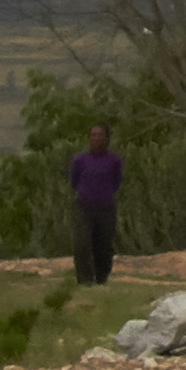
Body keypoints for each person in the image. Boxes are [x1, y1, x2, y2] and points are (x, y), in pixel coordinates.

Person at [67, 122, 124, 289]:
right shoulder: (80, 160)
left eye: (100, 135)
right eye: (93, 135)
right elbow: (74, 181)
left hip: (106, 207)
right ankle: (84, 280)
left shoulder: (114, 160)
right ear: (89, 138)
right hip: (84, 206)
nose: (97, 138)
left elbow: (117, 182)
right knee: (82, 243)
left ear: (107, 138)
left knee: (104, 245)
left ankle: (102, 278)